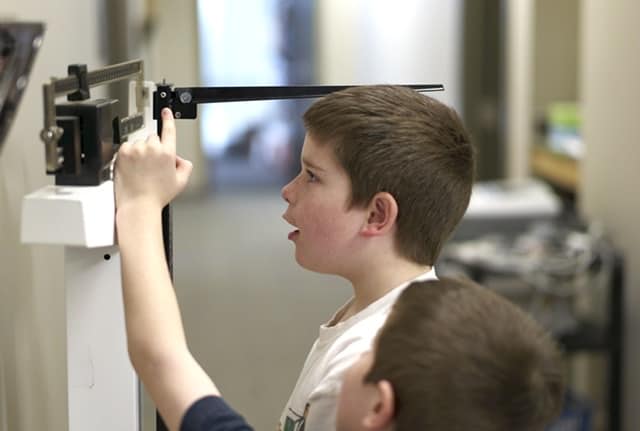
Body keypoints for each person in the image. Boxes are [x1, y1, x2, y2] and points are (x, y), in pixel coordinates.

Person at [115, 84, 475, 430]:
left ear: (377, 215)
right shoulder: (379, 312)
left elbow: (159, 358)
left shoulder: (360, 374)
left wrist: (141, 205)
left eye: (312, 176)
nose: (288, 191)